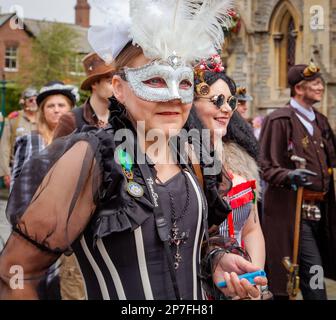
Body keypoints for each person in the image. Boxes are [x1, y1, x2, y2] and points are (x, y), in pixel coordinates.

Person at [0, 0, 266, 300]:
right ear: (119, 88)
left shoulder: (194, 155)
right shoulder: (91, 158)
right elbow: (16, 273)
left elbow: (197, 241)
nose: (174, 97)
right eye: (155, 80)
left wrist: (216, 260)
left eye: (184, 82)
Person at [191, 56, 266, 299]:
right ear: (189, 104)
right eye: (217, 100)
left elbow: (252, 229)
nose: (227, 108)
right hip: (196, 284)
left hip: (239, 276)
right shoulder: (176, 160)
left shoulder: (241, 158)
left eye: (230, 101)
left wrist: (253, 275)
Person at [259, 61, 336, 300]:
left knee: (315, 275)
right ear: (299, 89)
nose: (320, 87)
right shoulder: (279, 120)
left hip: (321, 214)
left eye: (320, 82)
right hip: (293, 215)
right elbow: (266, 167)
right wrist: (289, 175)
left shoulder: (321, 121)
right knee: (311, 285)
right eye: (314, 83)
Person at [53, 52, 115, 139]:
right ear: (94, 84)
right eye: (110, 82)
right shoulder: (71, 120)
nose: (117, 87)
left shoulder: (121, 117)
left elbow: (125, 151)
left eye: (118, 82)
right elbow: (57, 152)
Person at [0, 87, 38, 188]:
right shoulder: (14, 119)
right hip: (18, 171)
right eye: (30, 100)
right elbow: (5, 146)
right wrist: (6, 173)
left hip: (40, 171)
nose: (34, 102)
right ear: (24, 102)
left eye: (36, 99)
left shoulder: (44, 118)